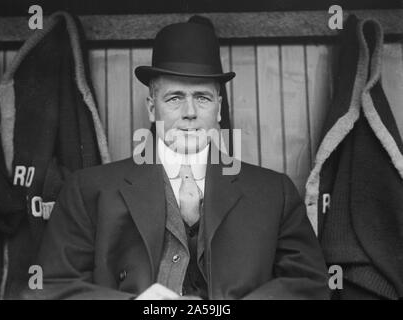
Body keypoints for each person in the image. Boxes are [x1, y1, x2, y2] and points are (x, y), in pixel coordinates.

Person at [27, 21, 329, 300]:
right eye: (174, 98)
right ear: (151, 107)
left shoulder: (274, 192)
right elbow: (52, 287)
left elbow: (310, 283)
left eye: (202, 97)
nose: (189, 112)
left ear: (219, 108)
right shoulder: (87, 190)